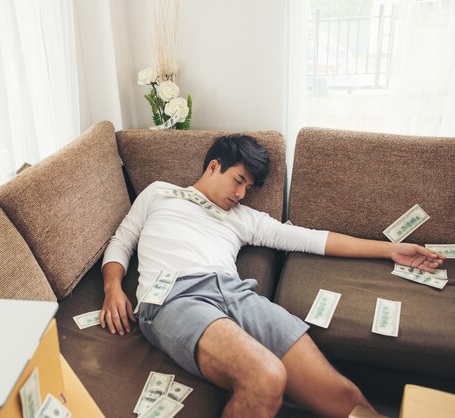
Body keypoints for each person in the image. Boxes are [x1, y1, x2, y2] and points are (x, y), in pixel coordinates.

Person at [99, 134, 444, 418]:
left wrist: (389, 250)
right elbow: (122, 241)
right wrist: (113, 288)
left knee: (347, 396)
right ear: (213, 165)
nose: (240, 194)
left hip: (235, 293)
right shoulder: (159, 192)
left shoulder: (244, 218)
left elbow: (311, 238)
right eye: (238, 180)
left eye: (248, 187)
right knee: (265, 377)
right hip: (175, 297)